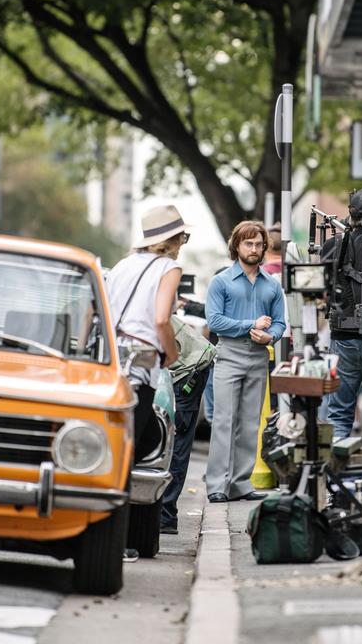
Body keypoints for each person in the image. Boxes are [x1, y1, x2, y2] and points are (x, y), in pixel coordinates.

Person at [205, 220, 286, 503]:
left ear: (265, 247)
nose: (254, 249)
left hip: (258, 357)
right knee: (224, 421)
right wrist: (250, 324)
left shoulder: (271, 286)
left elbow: (280, 324)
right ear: (236, 246)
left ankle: (240, 483)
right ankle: (217, 485)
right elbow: (214, 322)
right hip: (229, 354)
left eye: (258, 244)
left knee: (251, 423)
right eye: (248, 243)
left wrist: (270, 337)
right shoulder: (221, 281)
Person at [105, 205, 185, 464]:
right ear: (173, 240)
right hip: (141, 361)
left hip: (112, 357)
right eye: (182, 237)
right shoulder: (169, 268)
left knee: (143, 436)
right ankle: (119, 498)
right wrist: (171, 354)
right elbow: (161, 319)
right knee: (129, 447)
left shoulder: (121, 265)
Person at [319, 189, 362, 441]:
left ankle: (333, 476)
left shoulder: (332, 245)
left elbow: (321, 289)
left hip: (343, 337)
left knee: (338, 414)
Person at [160, 316, 215, 534]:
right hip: (185, 364)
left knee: (173, 442)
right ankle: (163, 514)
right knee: (170, 442)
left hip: (188, 369)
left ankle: (165, 515)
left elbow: (161, 320)